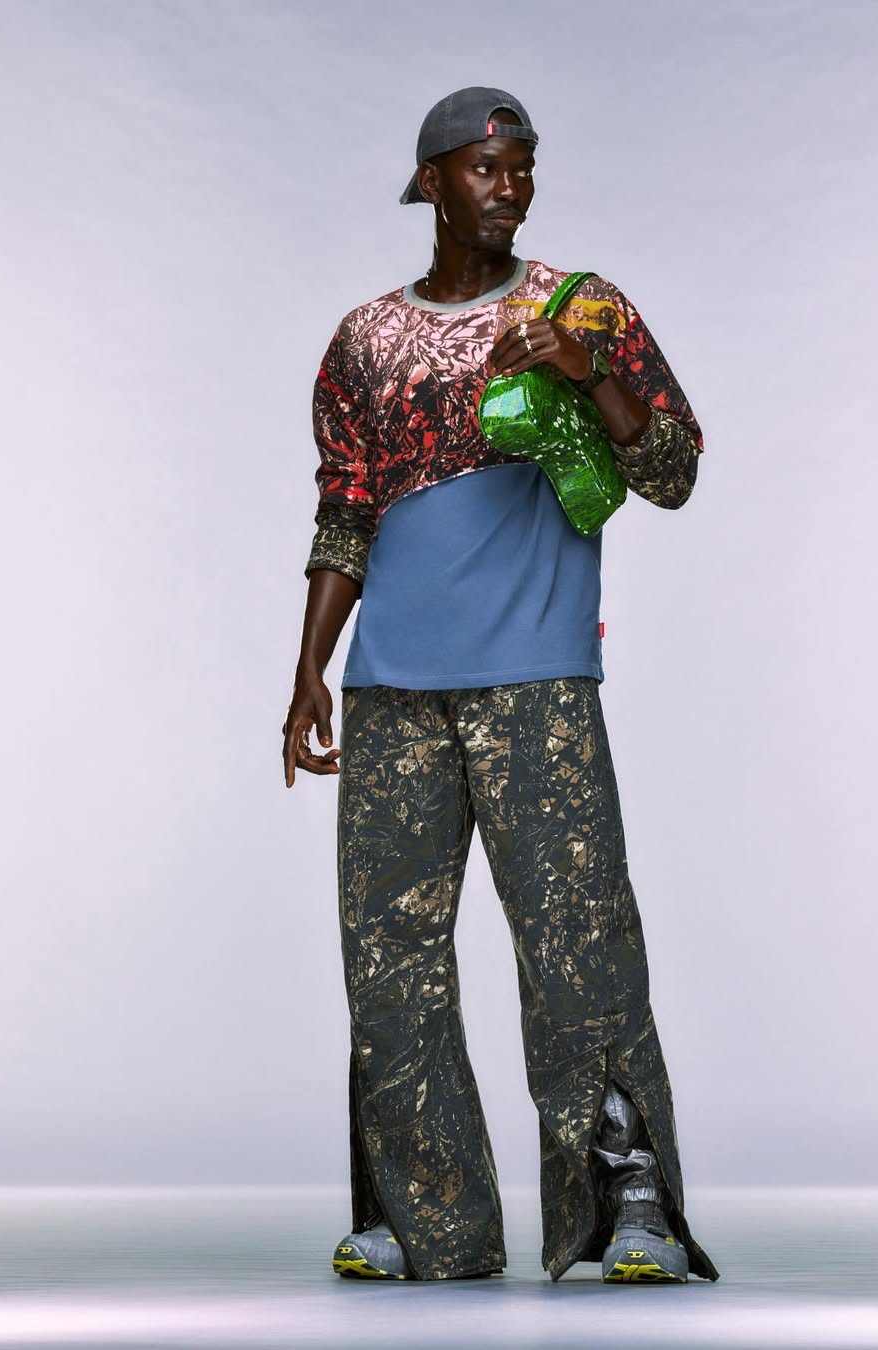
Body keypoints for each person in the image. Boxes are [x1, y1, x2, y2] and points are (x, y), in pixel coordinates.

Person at [282, 86, 720, 1287]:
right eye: (485, 168)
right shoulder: (366, 339)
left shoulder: (578, 307)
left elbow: (672, 470)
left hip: (537, 685)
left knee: (581, 948)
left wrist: (591, 372)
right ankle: (428, 1222)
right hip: (391, 691)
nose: (510, 187)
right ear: (431, 182)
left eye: (522, 167)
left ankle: (626, 1213)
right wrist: (310, 669)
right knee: (392, 961)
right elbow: (346, 508)